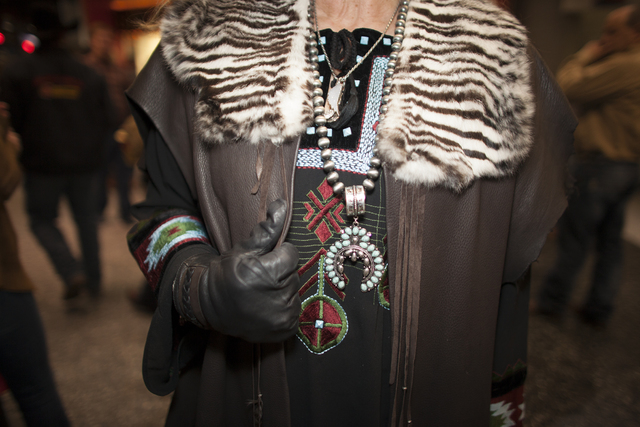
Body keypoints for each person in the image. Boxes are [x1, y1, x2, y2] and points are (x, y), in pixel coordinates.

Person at [126, 0, 576, 425]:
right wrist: (200, 286)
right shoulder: (207, 39)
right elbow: (163, 211)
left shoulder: (494, 58)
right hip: (245, 393)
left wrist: (499, 409)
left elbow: (506, 282)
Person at [535, 5, 640, 328]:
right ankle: (599, 306)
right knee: (610, 240)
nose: (604, 39)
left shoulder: (627, 65)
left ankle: (553, 302)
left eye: (612, 32)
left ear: (634, 34)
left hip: (603, 166)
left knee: (575, 237)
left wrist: (586, 55)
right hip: (628, 165)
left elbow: (565, 85)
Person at [0, 4, 113, 301]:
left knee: (41, 220)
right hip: (85, 163)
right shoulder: (87, 73)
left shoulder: (18, 72)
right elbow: (109, 117)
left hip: (42, 162)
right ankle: (94, 282)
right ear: (65, 36)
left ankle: (70, 270)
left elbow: (10, 118)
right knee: (86, 221)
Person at [0, 102, 70, 426]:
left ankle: (76, 272)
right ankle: (77, 271)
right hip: (3, 281)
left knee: (45, 220)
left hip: (46, 165)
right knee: (35, 390)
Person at [83, 23, 136, 224]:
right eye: (101, 39)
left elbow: (128, 94)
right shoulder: (85, 68)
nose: (105, 43)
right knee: (100, 173)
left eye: (108, 40)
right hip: (98, 130)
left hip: (120, 127)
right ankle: (99, 211)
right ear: (92, 41)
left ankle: (125, 211)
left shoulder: (117, 69)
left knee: (124, 171)